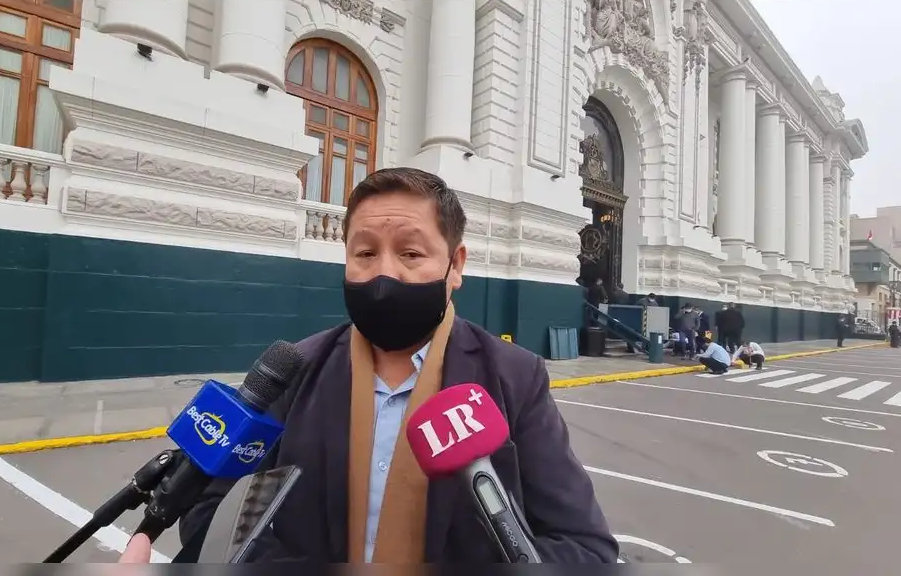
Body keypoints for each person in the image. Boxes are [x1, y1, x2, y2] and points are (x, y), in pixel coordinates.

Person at [123, 168, 618, 564]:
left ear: (456, 264)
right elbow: (211, 515)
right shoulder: (293, 371)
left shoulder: (514, 377)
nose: (384, 273)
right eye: (365, 252)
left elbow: (583, 548)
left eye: (410, 253)